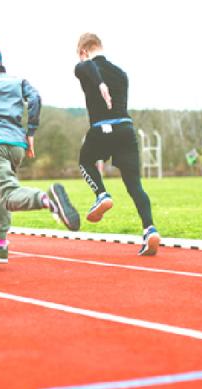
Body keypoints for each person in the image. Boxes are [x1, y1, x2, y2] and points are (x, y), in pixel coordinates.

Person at [0, 32, 80, 263]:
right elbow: (35, 99)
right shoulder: (17, 80)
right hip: (16, 147)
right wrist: (31, 131)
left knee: (8, 194)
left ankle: (48, 200)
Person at [75, 33, 160, 256]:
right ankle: (149, 228)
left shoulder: (85, 67)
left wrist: (99, 82)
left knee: (84, 161)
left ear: (84, 52)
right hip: (126, 130)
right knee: (135, 185)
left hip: (102, 128)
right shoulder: (121, 73)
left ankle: (102, 194)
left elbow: (87, 68)